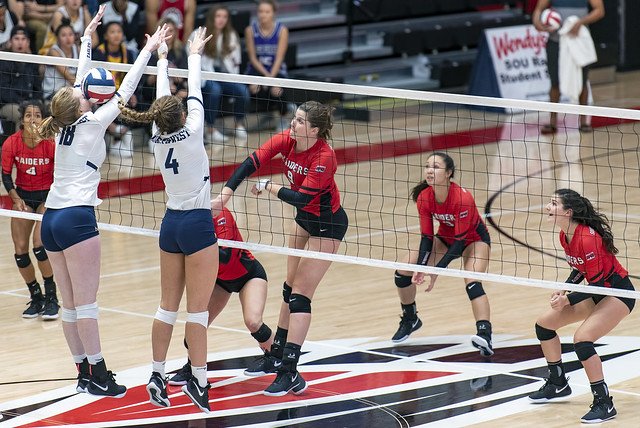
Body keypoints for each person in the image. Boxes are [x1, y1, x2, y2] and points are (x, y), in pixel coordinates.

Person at [37, 5, 168, 398]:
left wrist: (87, 39)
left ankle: (81, 372)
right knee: (87, 304)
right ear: (82, 104)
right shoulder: (93, 122)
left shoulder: (65, 122)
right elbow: (126, 90)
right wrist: (149, 50)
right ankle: (100, 374)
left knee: (69, 305)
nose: (82, 92)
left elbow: (80, 82)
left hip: (51, 219)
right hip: (77, 219)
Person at [212, 100, 349, 396]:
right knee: (289, 289)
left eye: (299, 121)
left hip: (328, 225)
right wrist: (226, 193)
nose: (292, 124)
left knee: (300, 296)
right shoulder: (288, 140)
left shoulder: (324, 156)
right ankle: (275, 355)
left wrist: (268, 187)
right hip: (305, 220)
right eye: (294, 118)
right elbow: (252, 161)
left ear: (314, 130)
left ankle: (291, 371)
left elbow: (301, 198)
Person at [118, 27, 217, 413]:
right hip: (196, 224)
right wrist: (192, 53)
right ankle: (200, 381)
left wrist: (160, 59)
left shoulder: (158, 137)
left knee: (166, 308)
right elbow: (192, 90)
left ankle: (156, 374)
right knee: (198, 312)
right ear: (180, 115)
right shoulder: (191, 131)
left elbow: (164, 101)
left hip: (170, 225)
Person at [528, 189, 634, 423]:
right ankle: (558, 383)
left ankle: (604, 403)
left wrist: (568, 299)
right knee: (543, 325)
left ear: (568, 212)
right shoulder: (564, 235)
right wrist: (564, 290)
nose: (547, 207)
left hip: (617, 293)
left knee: (582, 340)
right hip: (598, 291)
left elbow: (596, 283)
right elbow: (579, 269)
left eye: (553, 203)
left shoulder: (588, 237)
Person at [392, 152, 493, 356]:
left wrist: (436, 270)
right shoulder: (424, 197)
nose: (430, 170)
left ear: (448, 173)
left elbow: (461, 241)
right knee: (403, 270)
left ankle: (485, 334)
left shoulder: (462, 198)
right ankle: (411, 317)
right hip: (445, 239)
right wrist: (421, 267)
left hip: (474, 240)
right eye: (427, 166)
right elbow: (427, 238)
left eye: (436, 167)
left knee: (472, 282)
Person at [167, 206, 275, 384]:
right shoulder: (187, 221)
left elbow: (225, 255)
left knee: (253, 322)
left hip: (248, 274)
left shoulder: (219, 213)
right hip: (220, 281)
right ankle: (192, 367)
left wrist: (194, 243)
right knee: (194, 328)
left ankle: (278, 358)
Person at [1, 100, 58, 320]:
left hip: (47, 197)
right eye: (28, 116)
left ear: (43, 119)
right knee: (20, 251)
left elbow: (60, 176)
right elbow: (6, 175)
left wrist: (52, 199)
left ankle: (51, 297)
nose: (32, 119)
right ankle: (36, 297)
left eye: (37, 115)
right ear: (22, 120)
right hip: (23, 196)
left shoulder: (51, 143)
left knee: (39, 247)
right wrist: (15, 200)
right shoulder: (12, 143)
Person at [532, 0, 604, 134]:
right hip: (555, 42)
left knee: (582, 81)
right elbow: (538, 10)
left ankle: (583, 122)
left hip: (578, 41)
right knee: (554, 82)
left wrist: (580, 22)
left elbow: (599, 10)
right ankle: (552, 122)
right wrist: (538, 23)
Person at [198, 4, 249, 145]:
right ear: (212, 17)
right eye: (218, 16)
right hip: (205, 75)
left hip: (224, 75)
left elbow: (235, 62)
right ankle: (210, 130)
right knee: (215, 90)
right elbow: (190, 57)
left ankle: (238, 124)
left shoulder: (231, 36)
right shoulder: (200, 33)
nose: (221, 20)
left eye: (225, 16)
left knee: (242, 90)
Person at [93, 20, 137, 157]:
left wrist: (133, 93)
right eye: (112, 32)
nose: (116, 35)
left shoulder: (127, 53)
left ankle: (120, 135)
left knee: (136, 100)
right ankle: (114, 131)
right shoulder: (99, 52)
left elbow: (132, 76)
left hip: (122, 92)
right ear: (106, 36)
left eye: (119, 32)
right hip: (103, 92)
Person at [244, 0, 291, 130]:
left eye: (267, 12)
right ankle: (267, 114)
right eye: (260, 11)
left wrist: (270, 79)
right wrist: (266, 78)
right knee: (255, 89)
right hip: (256, 70)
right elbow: (253, 58)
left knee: (277, 90)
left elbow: (279, 58)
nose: (263, 15)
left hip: (276, 70)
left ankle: (284, 116)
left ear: (273, 13)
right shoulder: (250, 30)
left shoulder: (282, 30)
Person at [0, 26, 42, 131]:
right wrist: (24, 104)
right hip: (9, 104)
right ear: (10, 42)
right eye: (16, 39)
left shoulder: (33, 62)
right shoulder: (4, 61)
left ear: (28, 43)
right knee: (22, 115)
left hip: (30, 103)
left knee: (46, 110)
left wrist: (36, 102)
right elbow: (4, 92)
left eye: (23, 39)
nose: (20, 42)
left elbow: (38, 89)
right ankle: (20, 147)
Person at [42, 18, 77, 100]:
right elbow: (66, 74)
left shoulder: (77, 49)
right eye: (64, 35)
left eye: (70, 34)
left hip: (70, 93)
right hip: (53, 93)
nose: (68, 38)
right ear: (57, 38)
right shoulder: (53, 51)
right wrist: (84, 88)